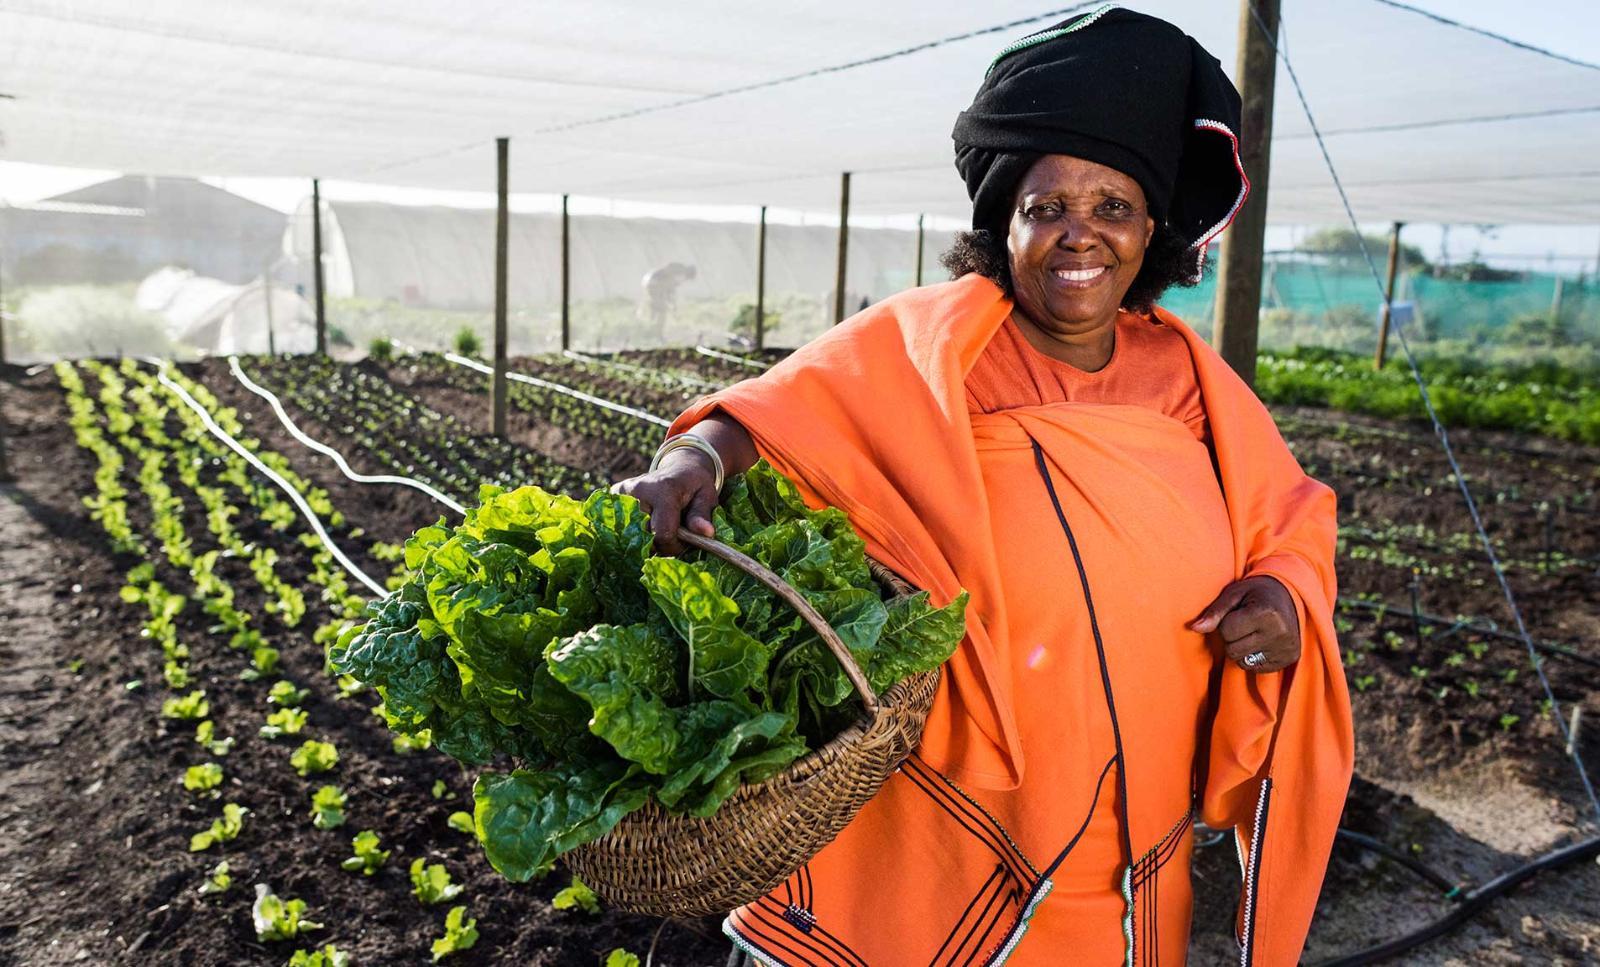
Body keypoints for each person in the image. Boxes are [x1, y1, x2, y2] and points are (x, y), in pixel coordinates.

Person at [615, 8, 1352, 965]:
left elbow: (1293, 522)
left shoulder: (1190, 377)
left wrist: (1283, 597)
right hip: (957, 817)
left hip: (1139, 833)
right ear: (1003, 224)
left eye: (1113, 208)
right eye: (1047, 208)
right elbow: (773, 414)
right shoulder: (935, 344)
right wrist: (692, 463)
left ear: (1151, 232)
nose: (1080, 235)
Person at [641, 262, 697, 340]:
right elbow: (668, 285)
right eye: (689, 277)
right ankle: (656, 335)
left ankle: (651, 331)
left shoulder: (678, 273)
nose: (687, 280)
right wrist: (672, 302)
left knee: (656, 310)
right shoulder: (679, 270)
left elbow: (670, 290)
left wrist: (673, 304)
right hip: (654, 283)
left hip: (652, 283)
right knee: (661, 311)